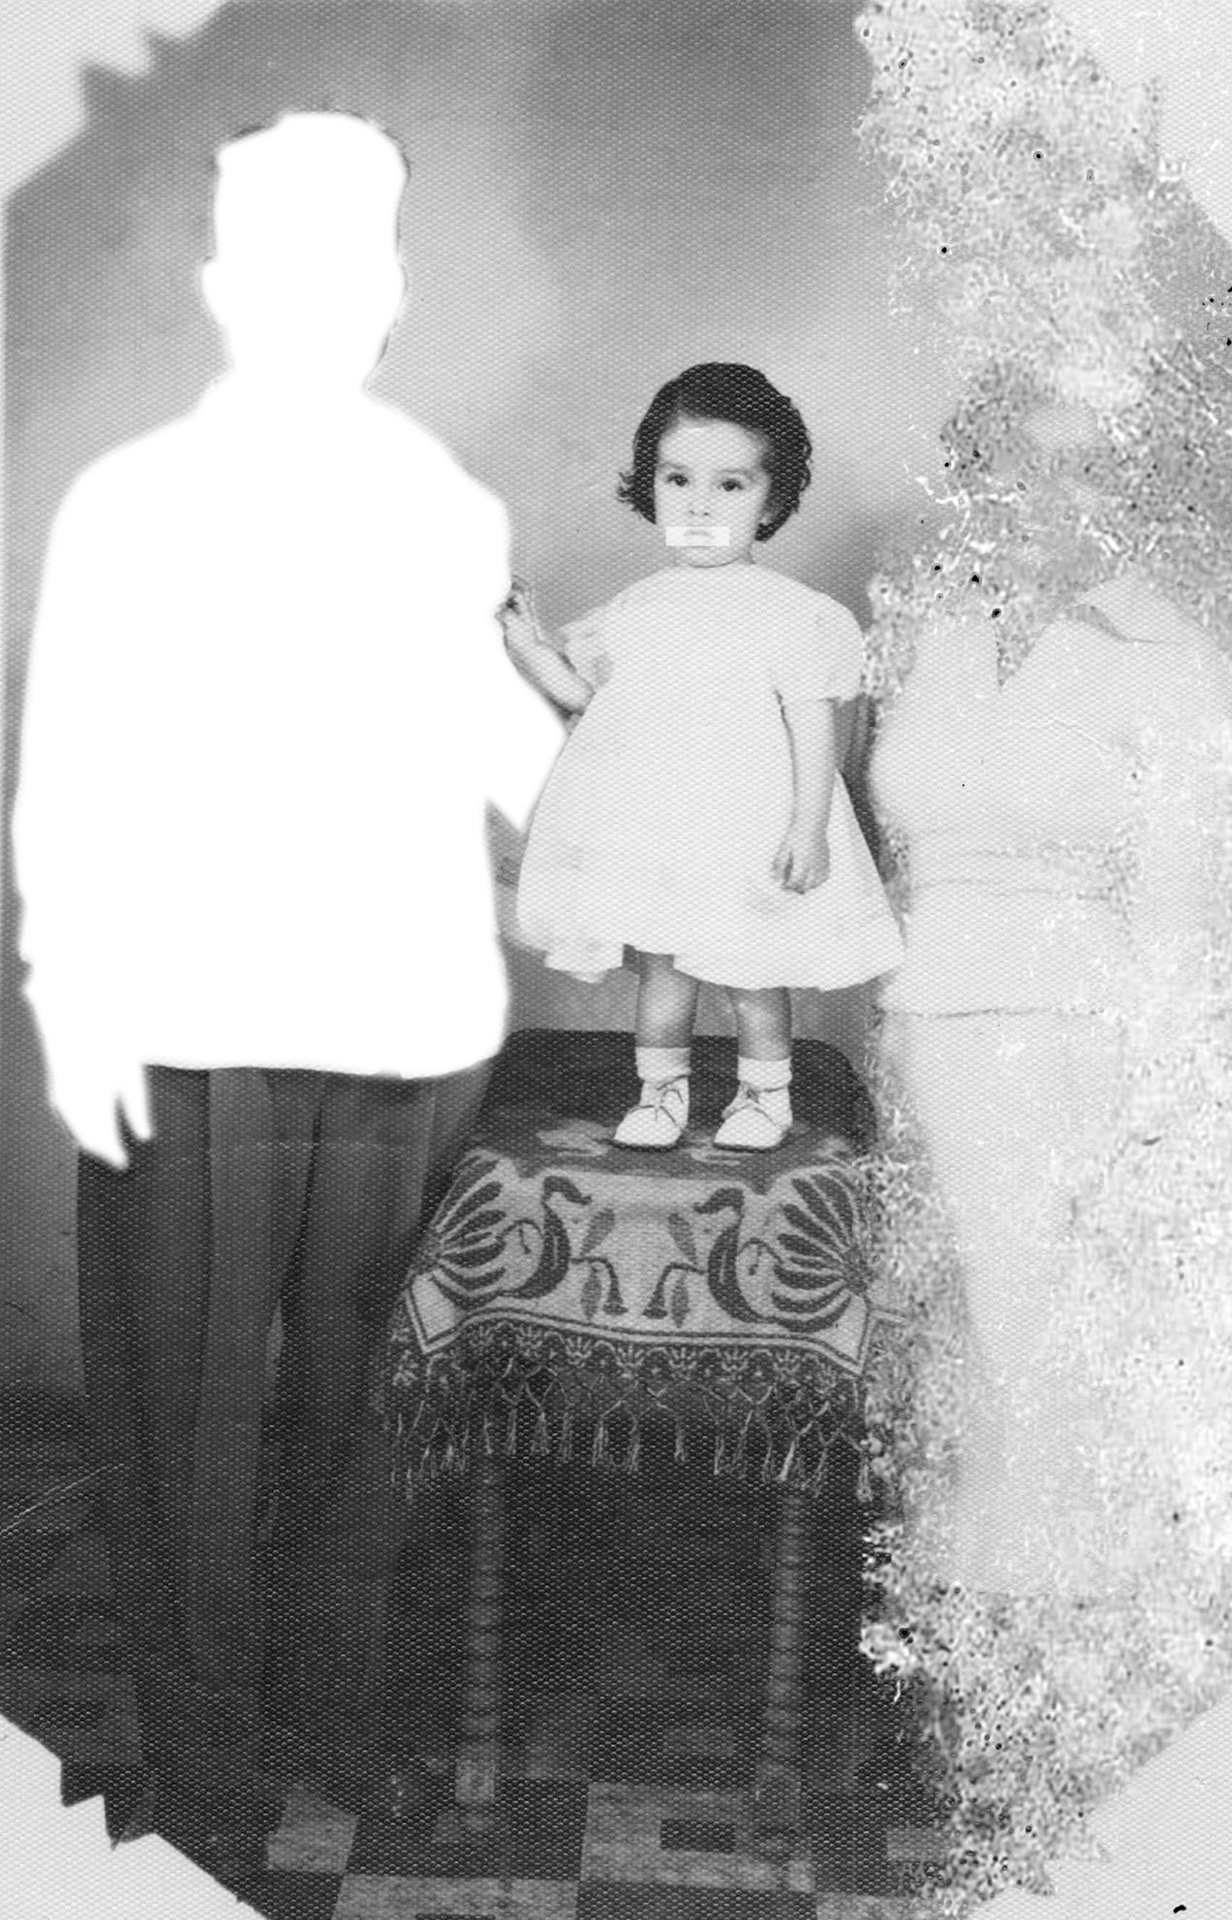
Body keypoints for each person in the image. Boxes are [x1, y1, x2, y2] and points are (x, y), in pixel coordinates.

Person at [12, 111, 558, 1860]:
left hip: (403, 1027)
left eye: (354, 257)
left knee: (364, 1402)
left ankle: (338, 1714)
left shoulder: (444, 507)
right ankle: (206, 1755)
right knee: (184, 1420)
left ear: (390, 289)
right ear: (219, 282)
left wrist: (638, 734)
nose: (322, 292)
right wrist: (74, 1004)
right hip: (195, 1027)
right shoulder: (131, 504)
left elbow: (523, 771)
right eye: (282, 256)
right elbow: (66, 778)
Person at [861, 361, 1232, 1908]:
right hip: (912, 1037)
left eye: (1080, 468)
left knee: (1046, 1379)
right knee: (941, 1376)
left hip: (1070, 1051)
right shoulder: (927, 632)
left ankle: (1059, 1764)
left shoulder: (1171, 661)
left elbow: (1190, 922)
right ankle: (964, 1721)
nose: (1039, 497)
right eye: (1008, 464)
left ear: (1128, 487)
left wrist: (1158, 1128)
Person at [502, 362, 902, 1151]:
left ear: (771, 503)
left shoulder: (790, 614)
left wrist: (808, 828)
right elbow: (588, 699)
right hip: (660, 824)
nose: (699, 505)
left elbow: (812, 723)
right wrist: (528, 646)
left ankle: (764, 1098)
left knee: (751, 969)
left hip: (746, 824)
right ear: (650, 485)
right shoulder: (637, 608)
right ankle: (661, 1095)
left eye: (730, 486)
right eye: (677, 479)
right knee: (664, 969)